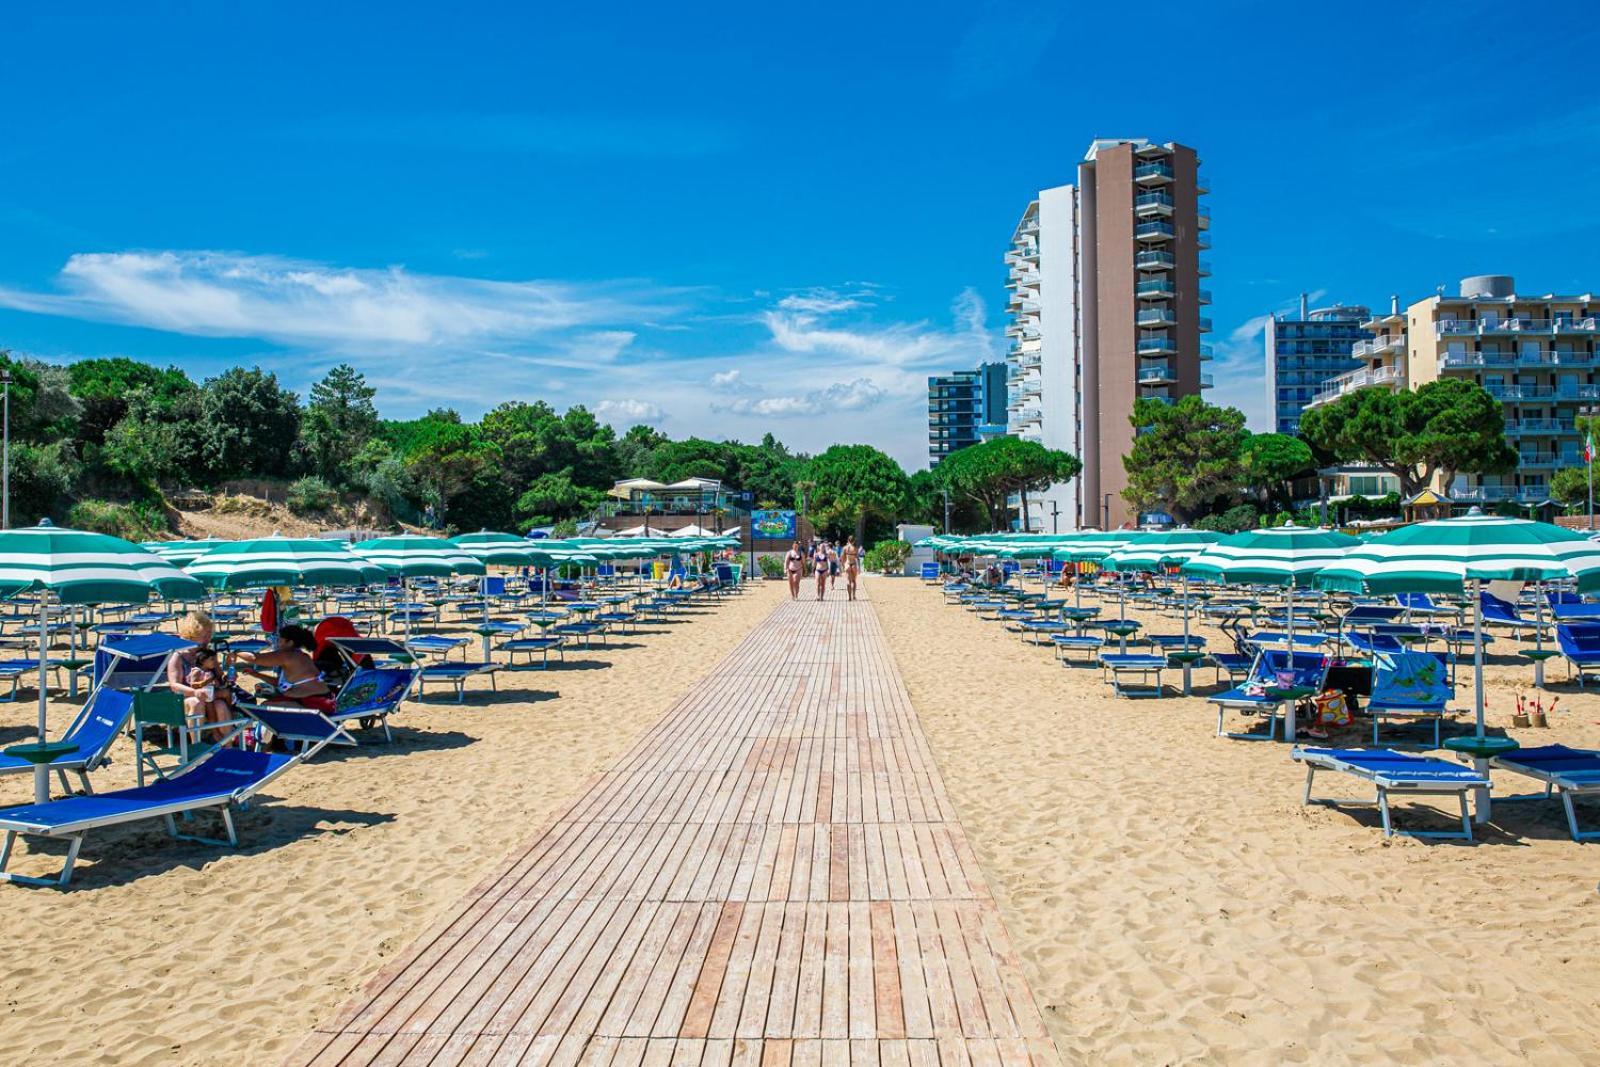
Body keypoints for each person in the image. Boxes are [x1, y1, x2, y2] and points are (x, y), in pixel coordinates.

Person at [168, 610, 233, 741]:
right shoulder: (179, 656)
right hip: (186, 698)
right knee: (195, 702)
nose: (208, 638)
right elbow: (174, 686)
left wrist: (227, 679)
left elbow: (220, 677)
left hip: (211, 696)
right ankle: (196, 744)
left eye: (209, 634)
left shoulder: (208, 654)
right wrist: (194, 692)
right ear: (192, 634)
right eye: (204, 635)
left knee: (220, 705)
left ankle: (227, 743)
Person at [237, 624, 335, 712]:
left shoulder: (287, 656)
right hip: (323, 702)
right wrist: (257, 674)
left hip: (313, 705)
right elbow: (280, 683)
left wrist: (235, 652)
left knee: (265, 707)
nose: (277, 642)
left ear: (290, 642)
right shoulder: (302, 656)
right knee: (269, 705)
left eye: (280, 639)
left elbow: (254, 658)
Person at [843, 536, 861, 601]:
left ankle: (849, 596)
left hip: (847, 564)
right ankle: (854, 595)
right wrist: (859, 568)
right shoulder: (855, 548)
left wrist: (843, 565)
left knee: (848, 581)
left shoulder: (845, 548)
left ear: (848, 540)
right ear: (853, 541)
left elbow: (843, 558)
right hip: (853, 564)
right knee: (854, 581)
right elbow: (857, 558)